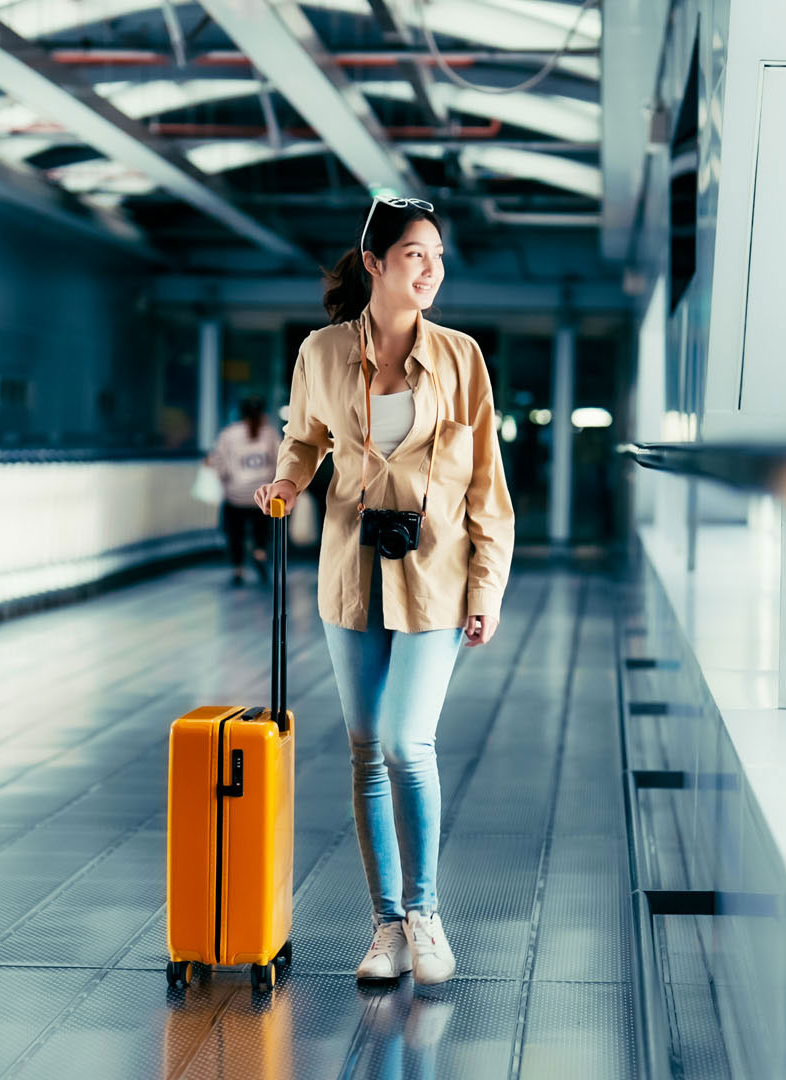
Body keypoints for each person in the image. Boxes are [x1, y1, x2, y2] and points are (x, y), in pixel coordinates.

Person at [253, 196, 514, 987]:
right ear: (374, 262)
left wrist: (487, 586)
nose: (431, 268)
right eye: (413, 254)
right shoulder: (322, 352)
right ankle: (387, 926)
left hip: (435, 576)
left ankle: (428, 914)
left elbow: (487, 483)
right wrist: (289, 481)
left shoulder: (462, 358)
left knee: (408, 742)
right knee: (367, 752)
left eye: (436, 255)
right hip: (350, 573)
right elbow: (305, 436)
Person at [207, 395, 280, 586]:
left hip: (235, 495)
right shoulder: (271, 434)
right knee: (261, 528)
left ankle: (237, 569)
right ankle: (259, 551)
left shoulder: (228, 434)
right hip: (263, 494)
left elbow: (219, 464)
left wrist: (224, 479)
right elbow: (280, 461)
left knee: (235, 532)